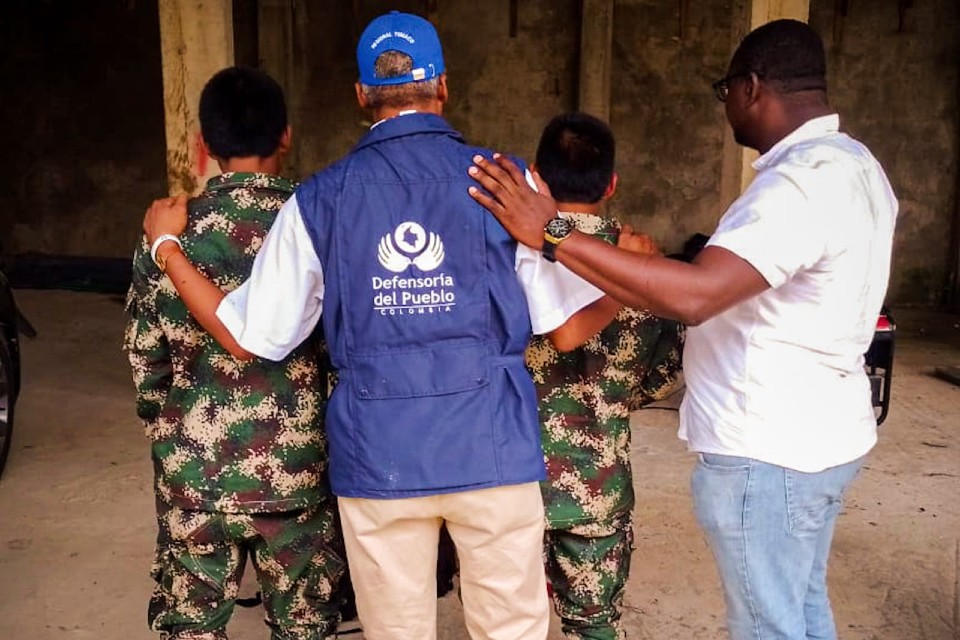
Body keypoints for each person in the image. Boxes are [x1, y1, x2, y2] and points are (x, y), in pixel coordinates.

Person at [140, 11, 608, 640]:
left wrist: (168, 247)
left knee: (396, 630)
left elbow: (250, 337)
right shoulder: (507, 181)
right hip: (491, 446)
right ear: (442, 85)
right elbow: (564, 327)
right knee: (511, 630)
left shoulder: (319, 199)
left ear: (361, 95)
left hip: (379, 455)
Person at [468, 19, 897, 640]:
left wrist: (552, 233)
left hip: (772, 449)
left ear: (751, 88)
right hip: (814, 436)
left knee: (769, 624)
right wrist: (639, 269)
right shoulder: (854, 165)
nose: (725, 109)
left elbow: (695, 298)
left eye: (725, 93)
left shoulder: (799, 185)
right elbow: (663, 351)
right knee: (798, 609)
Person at [124, 66, 345, 640]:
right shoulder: (319, 224)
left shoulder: (166, 231)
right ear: (286, 136)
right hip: (298, 473)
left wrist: (173, 436)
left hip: (194, 476)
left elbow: (147, 363)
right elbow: (346, 351)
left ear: (204, 145)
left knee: (191, 628)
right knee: (305, 629)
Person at [528, 112, 683, 640]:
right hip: (598, 482)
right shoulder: (643, 262)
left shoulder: (509, 252)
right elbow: (662, 374)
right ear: (612, 184)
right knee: (594, 627)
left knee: (503, 623)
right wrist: (611, 398)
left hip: (509, 482)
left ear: (536, 177)